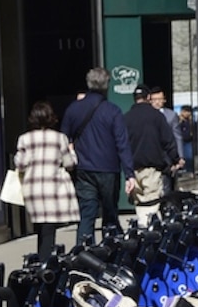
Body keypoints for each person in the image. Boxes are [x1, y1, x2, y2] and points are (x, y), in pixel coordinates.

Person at [61, 67, 136, 244]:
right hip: (108, 168)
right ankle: (111, 250)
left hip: (84, 168)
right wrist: (129, 173)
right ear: (107, 85)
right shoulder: (113, 111)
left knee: (87, 214)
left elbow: (63, 138)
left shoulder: (74, 109)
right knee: (110, 213)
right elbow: (122, 143)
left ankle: (85, 252)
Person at [13, 100, 78, 259]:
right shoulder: (60, 138)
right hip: (53, 187)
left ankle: (41, 258)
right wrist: (73, 153)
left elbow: (20, 164)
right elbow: (69, 164)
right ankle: (45, 262)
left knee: (39, 225)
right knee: (49, 228)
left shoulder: (24, 139)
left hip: (33, 188)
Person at [123, 85, 178, 226]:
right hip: (152, 167)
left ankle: (142, 226)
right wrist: (176, 159)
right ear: (148, 98)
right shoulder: (156, 116)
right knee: (152, 200)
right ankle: (149, 230)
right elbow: (168, 140)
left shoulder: (126, 118)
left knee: (140, 202)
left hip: (133, 169)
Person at [149, 85, 185, 191]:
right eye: (154, 100)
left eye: (159, 99)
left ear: (164, 100)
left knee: (167, 186)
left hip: (168, 157)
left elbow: (177, 136)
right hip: (151, 156)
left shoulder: (171, 115)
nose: (157, 102)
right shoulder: (147, 115)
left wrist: (180, 156)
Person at [178, 104, 196, 173]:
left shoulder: (191, 121)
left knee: (189, 156)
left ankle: (190, 170)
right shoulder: (179, 120)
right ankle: (181, 170)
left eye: (189, 112)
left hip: (188, 141)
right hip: (181, 141)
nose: (187, 113)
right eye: (186, 111)